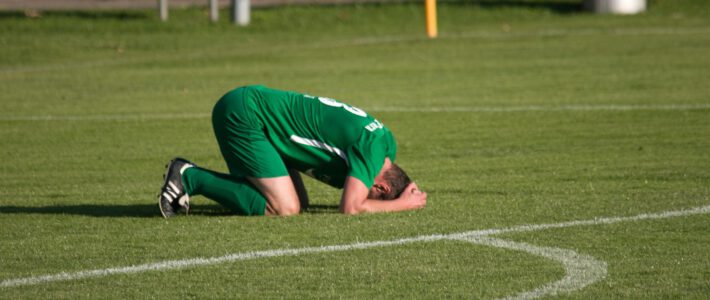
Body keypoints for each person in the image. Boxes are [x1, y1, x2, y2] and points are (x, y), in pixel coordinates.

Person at [158, 85, 427, 217]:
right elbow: (351, 207)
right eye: (376, 196)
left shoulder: (386, 145)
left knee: (299, 202)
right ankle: (188, 177)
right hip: (246, 115)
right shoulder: (372, 151)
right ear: (381, 188)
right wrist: (402, 204)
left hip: (256, 117)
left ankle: (206, 182)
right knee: (284, 207)